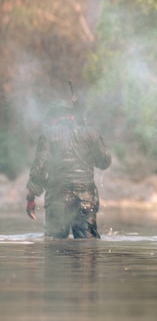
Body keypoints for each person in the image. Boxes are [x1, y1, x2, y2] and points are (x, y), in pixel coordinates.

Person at [26, 100, 112, 239]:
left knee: (55, 245)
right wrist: (89, 141)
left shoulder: (48, 135)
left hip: (57, 199)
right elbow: (104, 162)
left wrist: (31, 197)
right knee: (87, 247)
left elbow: (40, 166)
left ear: (54, 118)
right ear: (73, 116)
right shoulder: (91, 133)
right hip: (86, 198)